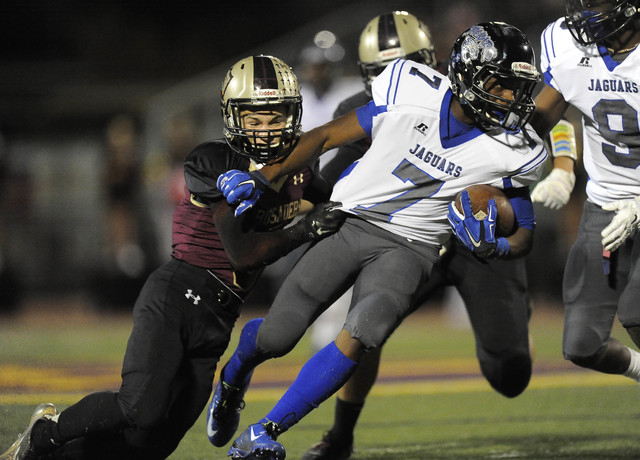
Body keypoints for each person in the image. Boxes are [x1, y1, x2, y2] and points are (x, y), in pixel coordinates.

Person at [211, 22, 548, 460]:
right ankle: (235, 376)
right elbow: (326, 136)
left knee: (365, 329)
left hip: (413, 249)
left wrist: (497, 247)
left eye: (517, 89)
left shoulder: (517, 147)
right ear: (468, 74)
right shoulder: (412, 89)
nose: (510, 100)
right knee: (276, 338)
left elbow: (524, 233)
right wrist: (264, 178)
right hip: (353, 223)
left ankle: (266, 430)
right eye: (501, 86)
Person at [0, 55, 345, 460]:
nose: (266, 130)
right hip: (179, 295)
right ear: (234, 119)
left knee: (152, 444)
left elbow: (338, 195)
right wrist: (306, 227)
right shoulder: (221, 161)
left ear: (293, 114)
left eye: (275, 118)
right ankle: (46, 433)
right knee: (139, 408)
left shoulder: (303, 172)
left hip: (220, 316)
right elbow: (242, 249)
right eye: (254, 120)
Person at [529, 0, 640, 395]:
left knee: (636, 314)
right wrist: (562, 166)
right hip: (605, 208)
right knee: (582, 344)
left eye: (597, 2)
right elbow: (545, 118)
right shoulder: (565, 43)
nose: (583, 13)